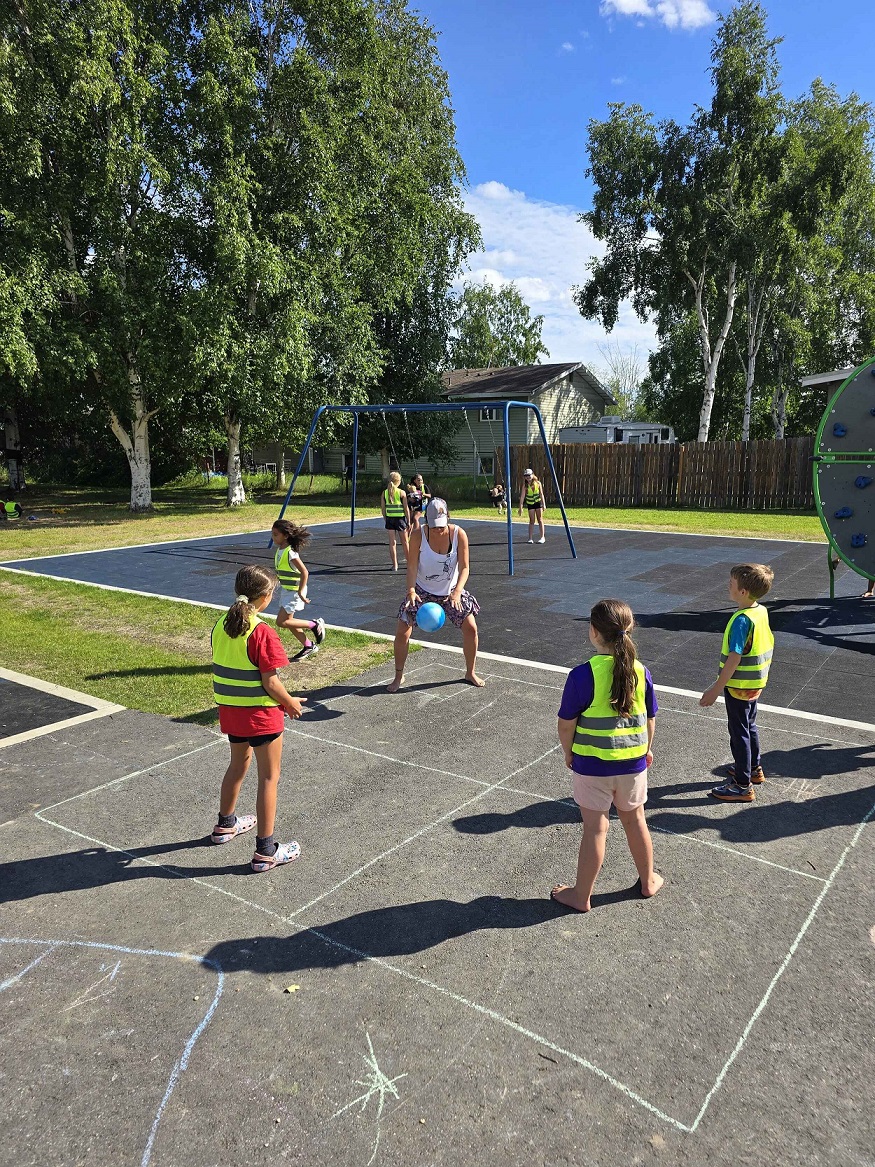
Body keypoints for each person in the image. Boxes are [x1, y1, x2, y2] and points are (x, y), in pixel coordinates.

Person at [551, 599, 662, 912]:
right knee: (636, 820)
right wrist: (647, 749)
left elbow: (565, 724)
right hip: (633, 764)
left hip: (592, 766)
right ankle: (648, 880)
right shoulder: (642, 672)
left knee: (595, 829)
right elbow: (650, 719)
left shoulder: (583, 675)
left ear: (593, 632)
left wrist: (568, 753)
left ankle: (581, 895)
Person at [211, 564, 306, 873]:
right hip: (261, 716)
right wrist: (290, 702)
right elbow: (271, 682)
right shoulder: (261, 631)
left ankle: (225, 825)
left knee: (237, 765)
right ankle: (266, 851)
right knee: (269, 777)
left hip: (231, 713)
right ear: (265, 597)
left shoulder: (221, 624)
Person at [388, 497, 484, 692]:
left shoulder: (459, 534)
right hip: (422, 590)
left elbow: (465, 568)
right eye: (434, 526)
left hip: (451, 591)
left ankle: (470, 672)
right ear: (427, 522)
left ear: (448, 517)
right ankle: (399, 676)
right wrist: (411, 591)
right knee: (402, 631)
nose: (438, 530)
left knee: (471, 628)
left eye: (441, 526)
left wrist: (457, 592)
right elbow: (412, 566)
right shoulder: (418, 535)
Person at [700, 563, 775, 802]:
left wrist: (716, 688)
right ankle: (753, 768)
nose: (728, 586)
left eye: (731, 583)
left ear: (743, 592)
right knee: (749, 725)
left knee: (738, 731)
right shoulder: (760, 611)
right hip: (755, 683)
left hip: (739, 686)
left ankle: (742, 785)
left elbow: (734, 657)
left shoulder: (741, 621)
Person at [271, 519, 326, 661]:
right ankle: (308, 646)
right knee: (289, 622)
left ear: (286, 536)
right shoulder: (280, 550)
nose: (273, 537)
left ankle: (314, 624)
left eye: (276, 534)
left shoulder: (291, 553)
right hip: (287, 590)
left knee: (281, 622)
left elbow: (304, 572)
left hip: (294, 592)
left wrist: (301, 591)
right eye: (272, 534)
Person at [381, 470, 411, 571]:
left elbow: (383, 508)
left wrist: (386, 518)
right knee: (405, 542)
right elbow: (406, 508)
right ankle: (409, 563)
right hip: (400, 519)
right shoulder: (401, 492)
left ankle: (395, 565)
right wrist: (409, 520)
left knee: (392, 543)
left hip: (390, 519)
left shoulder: (384, 493)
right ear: (398, 481)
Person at [518, 468, 546, 543]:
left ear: (532, 475)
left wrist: (543, 504)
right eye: (526, 476)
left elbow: (541, 494)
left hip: (538, 503)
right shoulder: (525, 486)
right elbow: (522, 497)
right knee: (532, 520)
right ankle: (530, 538)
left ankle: (542, 537)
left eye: (529, 475)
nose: (527, 477)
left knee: (540, 519)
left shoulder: (538, 483)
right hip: (530, 504)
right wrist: (520, 507)